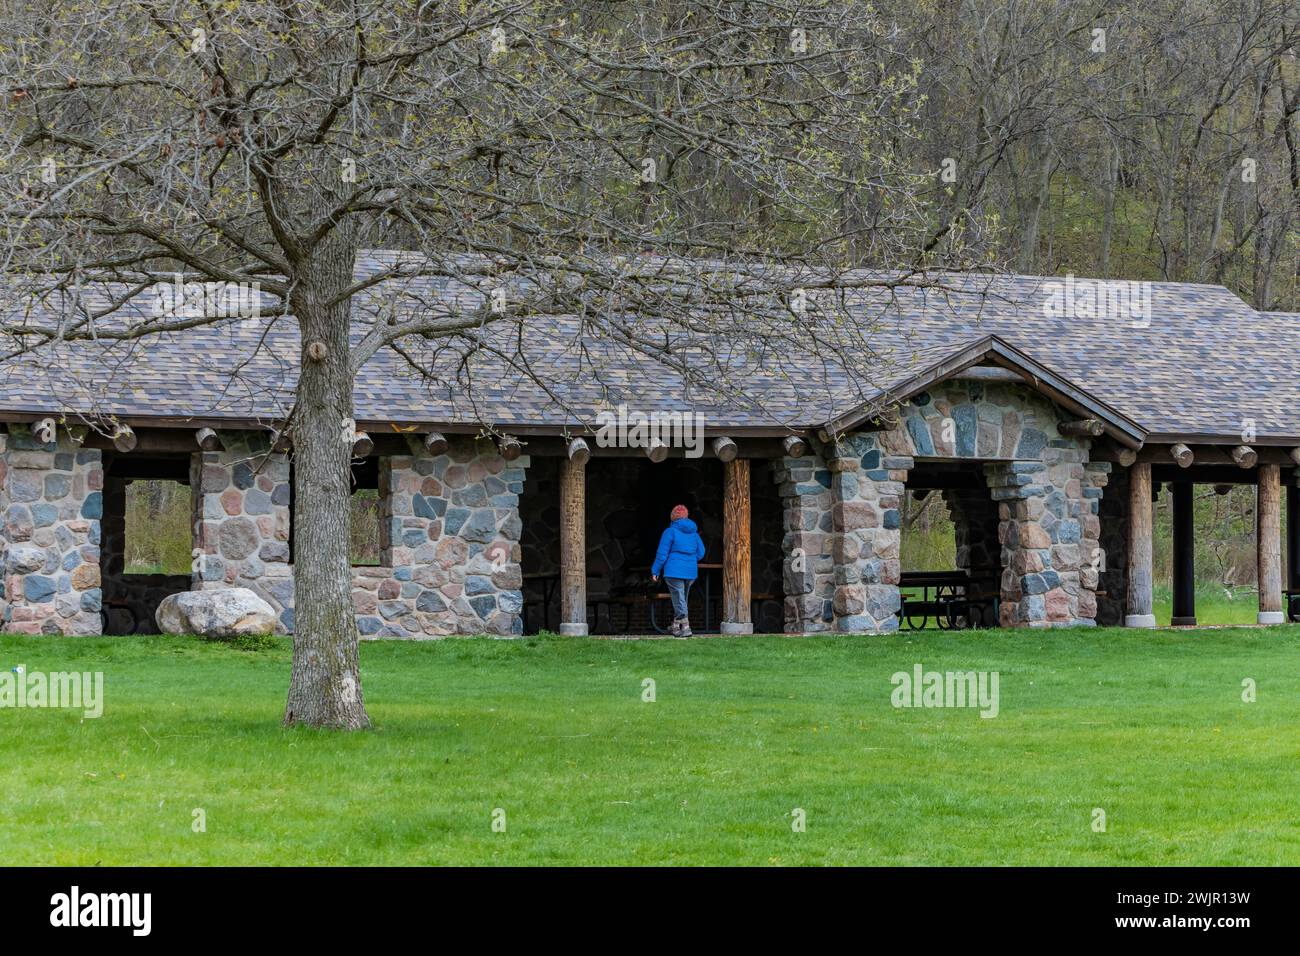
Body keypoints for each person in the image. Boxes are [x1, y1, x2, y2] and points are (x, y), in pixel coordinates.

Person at [651, 504, 706, 636]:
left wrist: (655, 570)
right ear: (686, 517)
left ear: (673, 517)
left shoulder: (670, 532)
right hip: (690, 572)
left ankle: (686, 627)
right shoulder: (694, 534)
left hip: (673, 571)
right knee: (682, 598)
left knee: (679, 598)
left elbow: (662, 554)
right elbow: (701, 552)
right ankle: (675, 626)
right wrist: (691, 560)